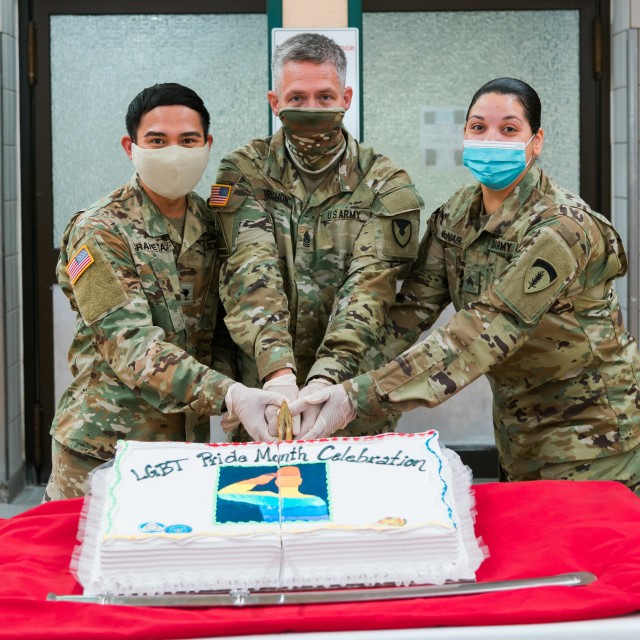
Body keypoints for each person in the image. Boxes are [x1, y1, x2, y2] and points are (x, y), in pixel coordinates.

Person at [290, 77, 640, 494]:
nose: (491, 138)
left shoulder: (561, 228)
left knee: (580, 557)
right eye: (478, 127)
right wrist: (328, 382)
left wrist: (359, 396)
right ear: (464, 134)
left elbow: (485, 330)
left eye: (509, 129)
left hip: (593, 433)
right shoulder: (457, 215)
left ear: (536, 140)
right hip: (518, 428)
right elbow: (409, 312)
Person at [45, 83, 284, 500]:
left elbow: (223, 327)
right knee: (79, 562)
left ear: (207, 144)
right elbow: (130, 345)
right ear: (130, 146)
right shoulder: (98, 231)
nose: (174, 152)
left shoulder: (213, 225)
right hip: (103, 451)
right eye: (157, 140)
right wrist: (228, 394)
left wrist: (248, 385)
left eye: (188, 140)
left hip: (185, 450)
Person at [211, 33, 422, 442]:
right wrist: (277, 374)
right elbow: (249, 272)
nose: (311, 109)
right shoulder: (244, 171)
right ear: (275, 103)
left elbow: (370, 288)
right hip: (264, 398)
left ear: (346, 97)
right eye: (298, 97)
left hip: (350, 398)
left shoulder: (385, 182)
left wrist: (327, 378)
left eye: (324, 97)